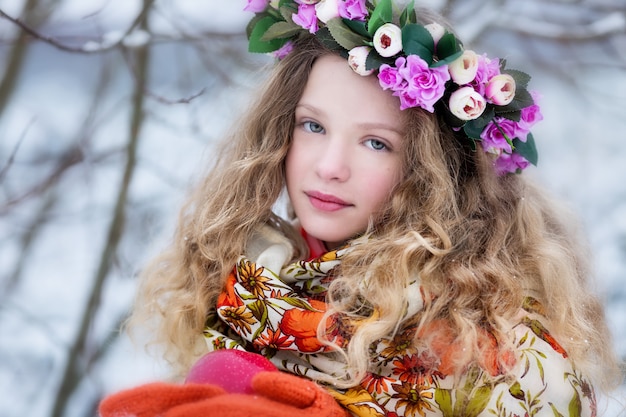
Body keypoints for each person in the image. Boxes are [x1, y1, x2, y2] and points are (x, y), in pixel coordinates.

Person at [100, 1, 623, 416]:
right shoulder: (242, 286)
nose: (330, 166)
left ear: (435, 172)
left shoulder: (494, 339)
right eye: (313, 125)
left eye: (376, 143)